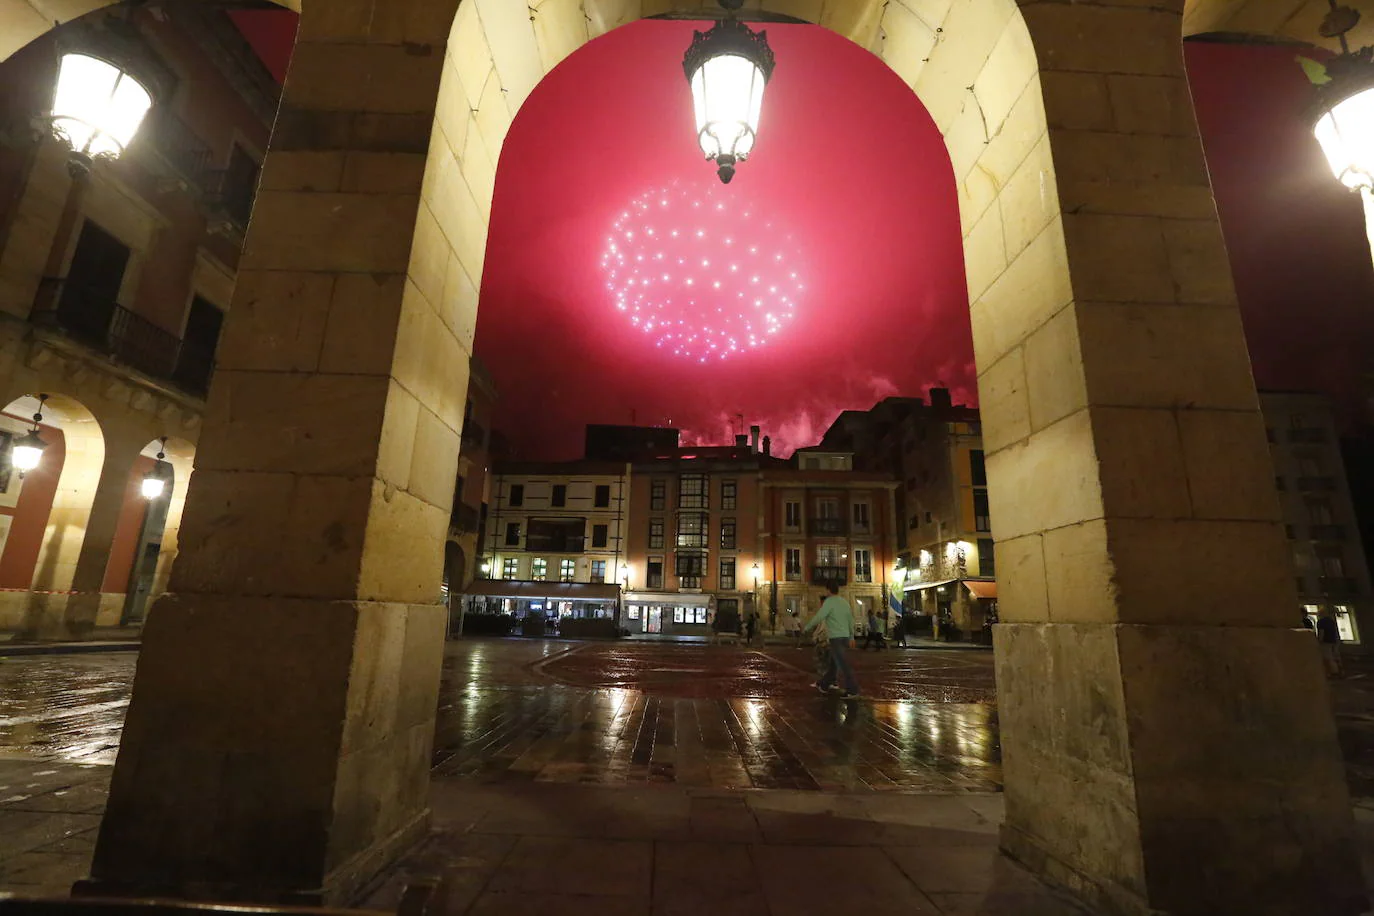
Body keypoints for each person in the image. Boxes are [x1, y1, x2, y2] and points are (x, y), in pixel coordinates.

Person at [804, 582, 860, 698]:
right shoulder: (844, 602)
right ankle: (823, 684)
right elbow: (850, 620)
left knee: (843, 664)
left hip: (836, 637)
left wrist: (807, 627)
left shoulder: (829, 602)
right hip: (845, 637)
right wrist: (851, 636)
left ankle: (852, 689)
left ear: (828, 590)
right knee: (834, 664)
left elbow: (819, 616)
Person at [1316, 608, 1345, 678]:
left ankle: (1333, 672)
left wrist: (1319, 641)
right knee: (1335, 656)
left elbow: (1321, 633)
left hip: (1325, 642)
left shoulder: (1321, 622)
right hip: (1333, 641)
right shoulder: (1331, 621)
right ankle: (1339, 671)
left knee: (1328, 657)